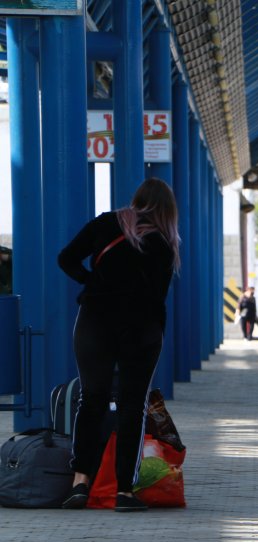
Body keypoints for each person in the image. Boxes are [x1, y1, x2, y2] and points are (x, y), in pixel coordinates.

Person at [56, 177, 180, 512]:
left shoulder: (105, 223)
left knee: (91, 400)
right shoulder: (164, 243)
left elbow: (66, 258)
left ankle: (79, 484)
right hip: (140, 328)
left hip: (94, 320)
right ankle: (124, 491)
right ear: (168, 210)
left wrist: (92, 283)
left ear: (137, 199)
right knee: (132, 406)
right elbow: (158, 297)